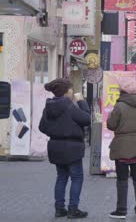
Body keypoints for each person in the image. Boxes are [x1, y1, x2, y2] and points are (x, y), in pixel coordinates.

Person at [39, 78, 91, 219]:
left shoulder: (48, 106)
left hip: (55, 147)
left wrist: (56, 131)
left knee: (61, 177)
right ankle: (73, 209)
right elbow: (87, 119)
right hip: (72, 147)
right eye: (71, 89)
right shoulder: (69, 106)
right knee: (76, 177)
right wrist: (81, 101)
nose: (73, 91)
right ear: (67, 91)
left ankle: (59, 209)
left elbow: (42, 127)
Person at [106, 78, 136, 220]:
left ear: (123, 91)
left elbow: (111, 125)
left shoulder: (119, 106)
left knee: (122, 180)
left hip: (122, 148)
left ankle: (121, 210)